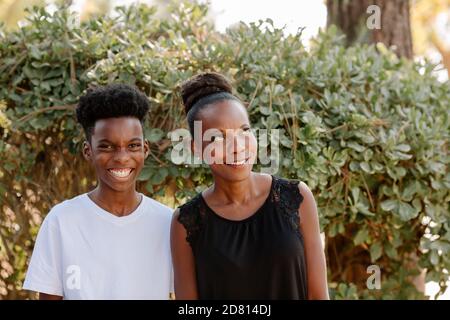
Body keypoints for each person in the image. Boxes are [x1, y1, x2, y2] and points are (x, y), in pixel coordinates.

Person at [170, 72, 329, 299]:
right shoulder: (186, 222)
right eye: (218, 138)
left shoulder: (296, 197)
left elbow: (318, 296)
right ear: (196, 148)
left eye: (244, 131)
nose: (237, 147)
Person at [23, 84, 173, 300]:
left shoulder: (166, 222)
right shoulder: (62, 221)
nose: (122, 157)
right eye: (107, 146)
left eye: (132, 146)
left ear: (145, 149)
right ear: (88, 151)